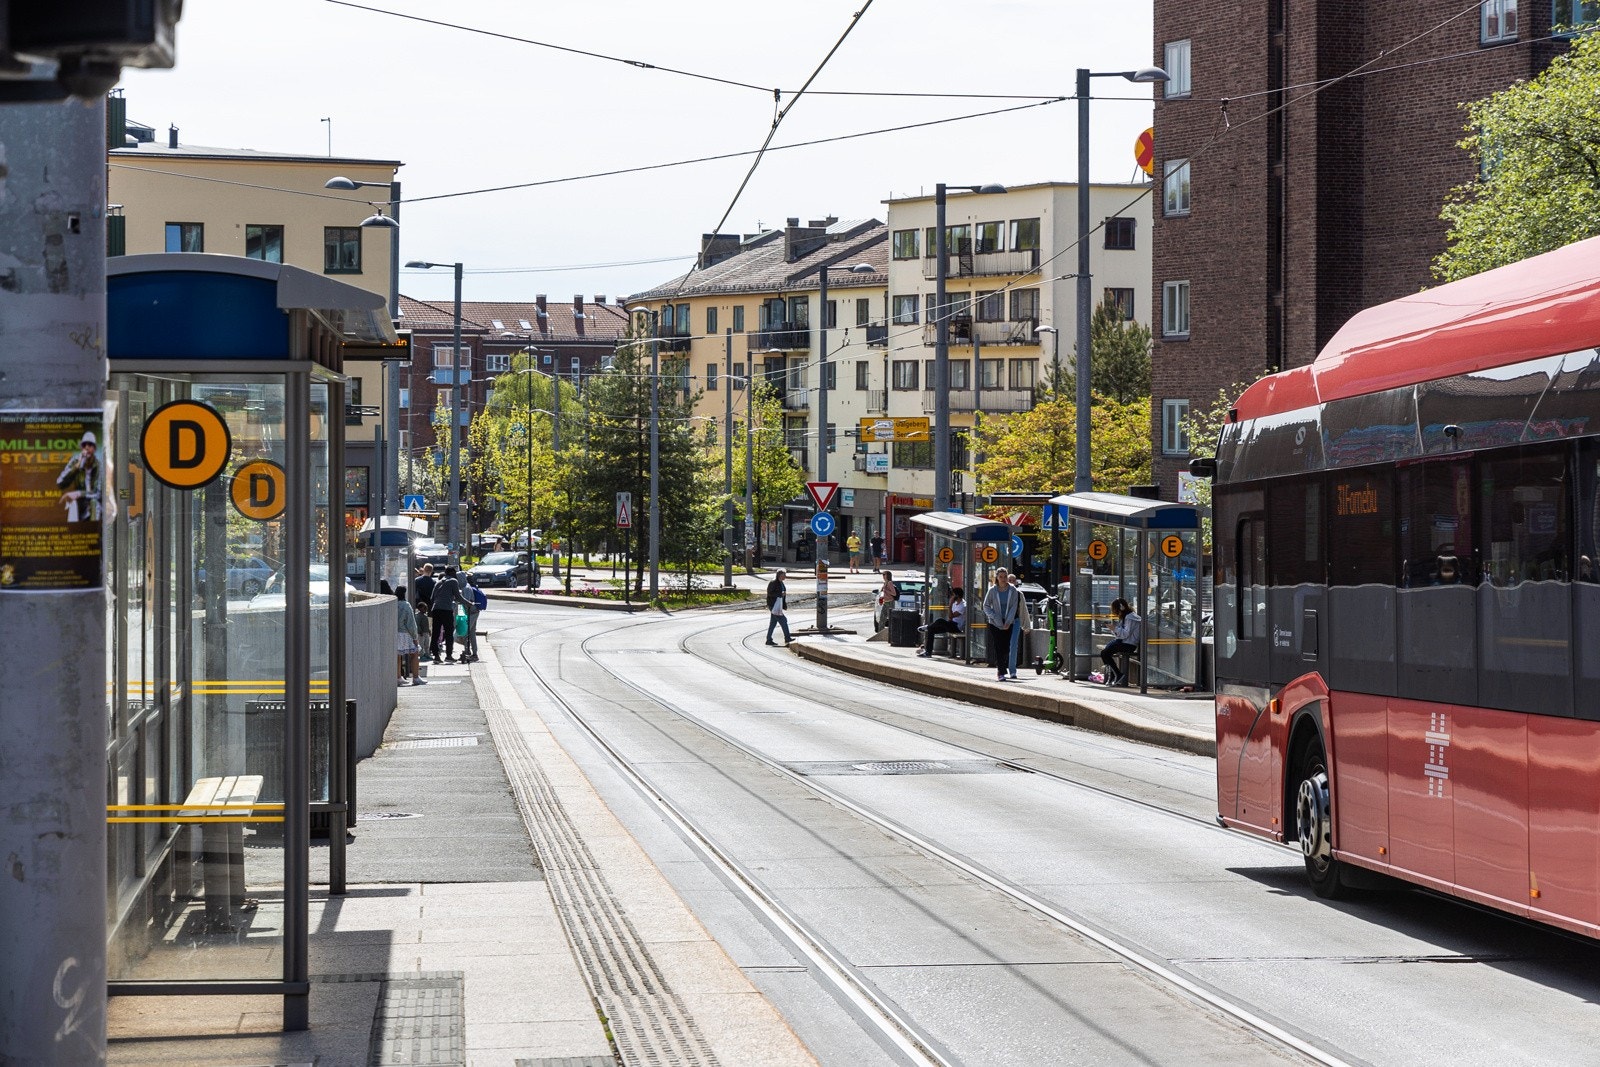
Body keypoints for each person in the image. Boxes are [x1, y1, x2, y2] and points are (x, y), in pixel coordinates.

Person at [982, 568, 1023, 681]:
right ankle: (1001, 671)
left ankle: (1002, 668)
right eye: (1001, 577)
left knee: (1006, 648)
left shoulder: (1013, 590)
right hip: (995, 624)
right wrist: (995, 617)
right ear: (997, 578)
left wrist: (1008, 622)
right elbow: (985, 606)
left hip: (1008, 623)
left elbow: (1014, 607)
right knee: (998, 647)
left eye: (1005, 577)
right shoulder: (992, 590)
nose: (1003, 579)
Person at [55, 430, 102, 523]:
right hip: (81, 505)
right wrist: (75, 468)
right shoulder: (76, 461)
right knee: (72, 504)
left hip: (96, 506)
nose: (87, 447)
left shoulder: (99, 466)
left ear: (95, 449)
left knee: (94, 503)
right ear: (81, 448)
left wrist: (77, 493)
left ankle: (93, 532)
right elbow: (60, 483)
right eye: (84, 445)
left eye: (90, 445)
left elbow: (98, 494)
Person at [429, 565, 470, 663]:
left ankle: (436, 656)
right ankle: (448, 655)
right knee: (448, 633)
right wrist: (468, 603)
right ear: (452, 573)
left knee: (435, 632)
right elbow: (458, 596)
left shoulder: (438, 582)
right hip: (446, 609)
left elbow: (432, 598)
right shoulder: (453, 581)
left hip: (436, 609)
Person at [1101, 597, 1143, 686]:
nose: (1115, 612)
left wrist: (1114, 628)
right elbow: (1120, 633)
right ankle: (1113, 674)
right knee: (1104, 652)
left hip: (1129, 644)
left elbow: (1125, 634)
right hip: (1124, 642)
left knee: (1105, 653)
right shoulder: (1126, 616)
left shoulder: (1130, 618)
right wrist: (1114, 629)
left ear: (1121, 608)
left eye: (1115, 609)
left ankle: (1116, 674)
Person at [389, 581, 425, 685]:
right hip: (405, 633)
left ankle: (398, 677)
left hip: (394, 633)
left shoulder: (392, 604)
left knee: (398, 655)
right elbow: (411, 623)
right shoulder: (406, 605)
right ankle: (416, 677)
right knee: (414, 654)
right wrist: (415, 637)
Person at [917, 588, 965, 657]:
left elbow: (951, 616)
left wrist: (950, 604)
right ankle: (928, 652)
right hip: (951, 624)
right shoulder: (955, 603)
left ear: (956, 596)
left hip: (957, 627)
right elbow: (950, 618)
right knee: (931, 630)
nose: (951, 596)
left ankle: (927, 627)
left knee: (940, 620)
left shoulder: (963, 605)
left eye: (952, 595)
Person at [460, 573, 488, 663]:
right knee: (471, 633)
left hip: (471, 613)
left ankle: (468, 652)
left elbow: (466, 603)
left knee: (465, 632)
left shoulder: (466, 588)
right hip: (473, 612)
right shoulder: (468, 587)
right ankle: (474, 653)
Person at [765, 568, 792, 646]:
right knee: (783, 620)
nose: (785, 577)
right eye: (784, 575)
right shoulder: (773, 582)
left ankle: (769, 639)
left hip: (778, 605)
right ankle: (787, 638)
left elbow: (783, 595)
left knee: (773, 623)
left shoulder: (781, 583)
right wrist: (780, 594)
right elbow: (770, 593)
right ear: (779, 575)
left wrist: (784, 605)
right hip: (773, 605)